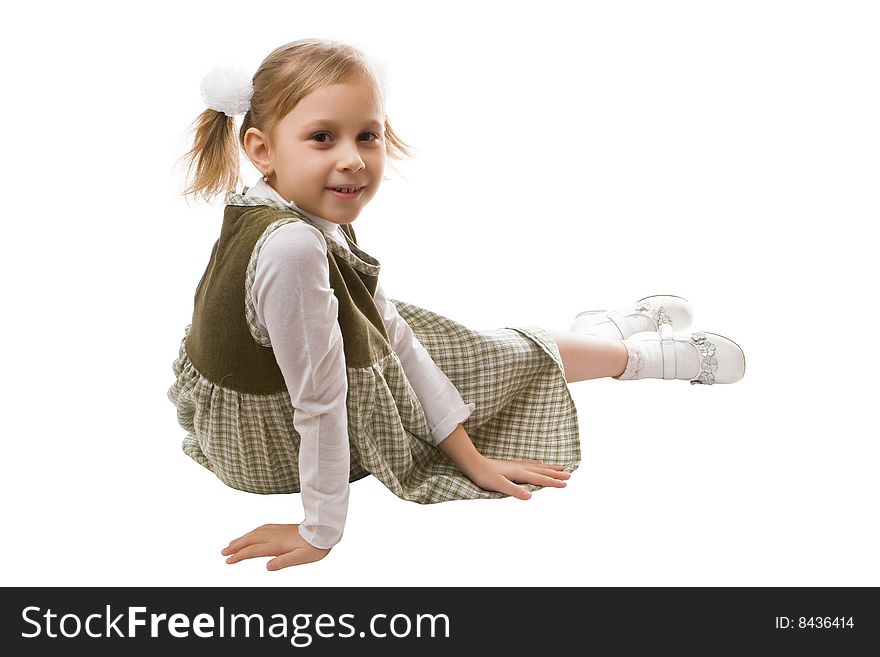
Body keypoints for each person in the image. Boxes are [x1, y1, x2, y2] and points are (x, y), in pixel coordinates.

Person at [167, 38, 745, 571]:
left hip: (253, 411)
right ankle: (639, 359)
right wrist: (321, 530)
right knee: (483, 357)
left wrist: (466, 453)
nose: (354, 160)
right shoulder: (292, 246)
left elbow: (389, 327)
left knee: (448, 341)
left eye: (367, 135)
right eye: (323, 137)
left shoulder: (281, 210)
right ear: (261, 149)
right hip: (272, 447)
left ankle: (601, 336)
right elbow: (319, 400)